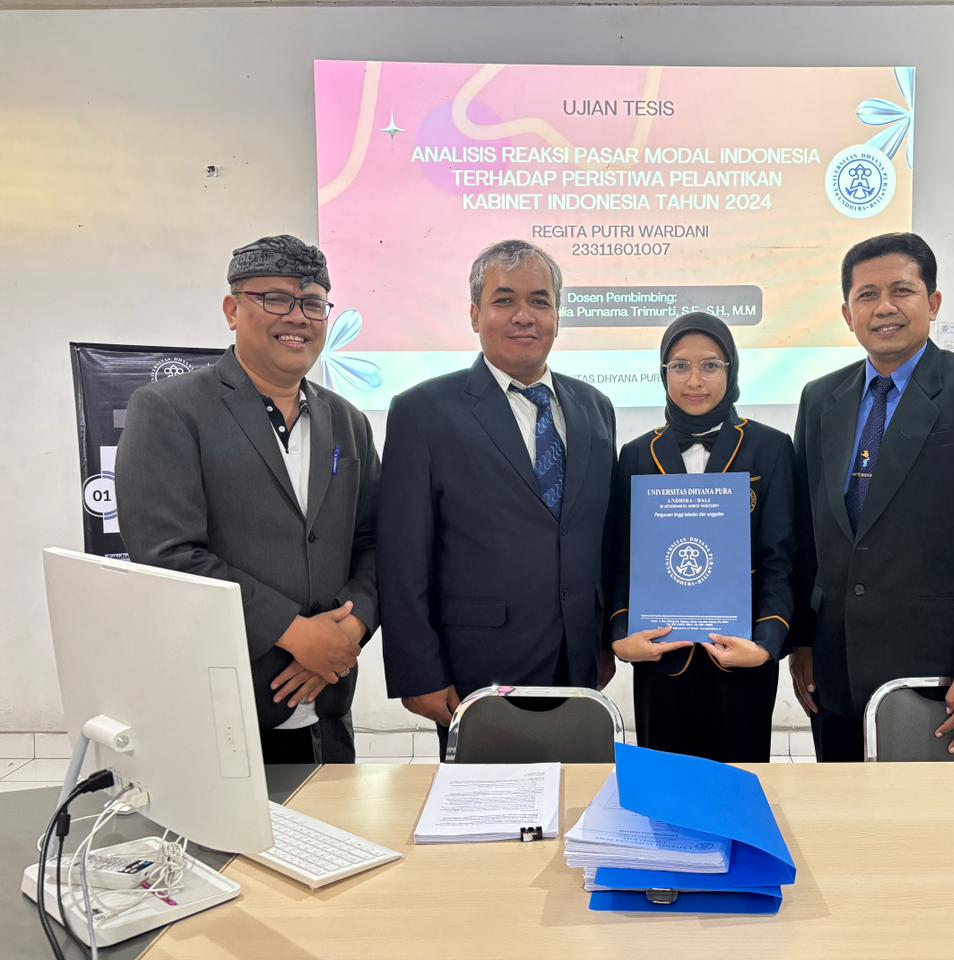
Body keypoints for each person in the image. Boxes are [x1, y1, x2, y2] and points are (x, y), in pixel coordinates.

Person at [116, 235, 379, 763]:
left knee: (328, 819)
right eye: (276, 299)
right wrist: (294, 633)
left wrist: (345, 632)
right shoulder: (170, 410)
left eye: (313, 304)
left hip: (327, 701)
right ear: (232, 310)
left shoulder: (347, 421)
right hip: (218, 708)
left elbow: (376, 541)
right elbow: (167, 555)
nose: (298, 317)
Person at [790, 232, 954, 761]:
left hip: (940, 673)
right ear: (848, 314)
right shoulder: (820, 399)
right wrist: (802, 640)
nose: (884, 308)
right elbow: (808, 534)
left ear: (933, 302)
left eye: (901, 290)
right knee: (841, 803)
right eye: (867, 295)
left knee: (928, 812)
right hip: (835, 666)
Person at [378, 239, 617, 750]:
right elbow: (402, 557)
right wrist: (418, 671)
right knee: (485, 801)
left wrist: (602, 642)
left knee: (577, 793)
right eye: (504, 300)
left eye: (539, 301)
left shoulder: (595, 408)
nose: (524, 316)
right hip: (474, 671)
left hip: (578, 664)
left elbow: (598, 537)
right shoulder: (423, 412)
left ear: (557, 316)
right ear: (474, 314)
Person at [608, 312, 795, 763]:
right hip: (660, 660)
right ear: (663, 373)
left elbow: (781, 557)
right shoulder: (637, 454)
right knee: (665, 787)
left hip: (742, 659)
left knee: (738, 783)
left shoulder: (770, 447)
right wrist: (620, 633)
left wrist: (766, 644)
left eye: (710, 365)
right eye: (680, 366)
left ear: (731, 370)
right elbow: (620, 558)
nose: (695, 380)